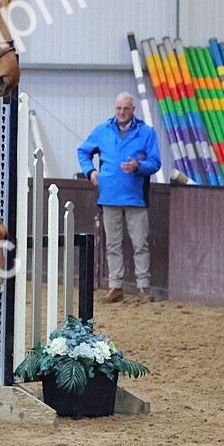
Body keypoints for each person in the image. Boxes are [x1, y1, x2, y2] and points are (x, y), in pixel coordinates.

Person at [77, 92, 162, 302]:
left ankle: (143, 287)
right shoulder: (102, 130)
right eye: (118, 108)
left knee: (139, 243)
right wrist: (90, 171)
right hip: (109, 197)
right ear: (114, 109)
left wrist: (138, 166)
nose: (122, 112)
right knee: (112, 244)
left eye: (126, 108)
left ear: (133, 110)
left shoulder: (147, 133)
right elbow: (83, 152)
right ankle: (116, 286)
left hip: (135, 198)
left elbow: (155, 162)